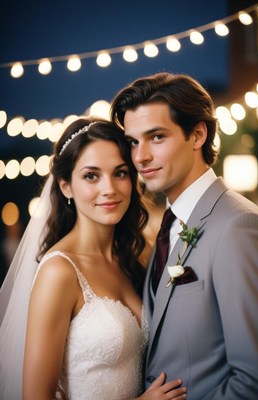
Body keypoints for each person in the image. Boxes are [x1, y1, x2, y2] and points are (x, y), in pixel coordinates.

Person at [111, 72, 258, 399]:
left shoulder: (238, 227)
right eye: (133, 141)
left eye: (156, 137)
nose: (140, 157)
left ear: (198, 134)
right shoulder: (170, 224)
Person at [0, 118, 188, 400]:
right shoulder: (60, 271)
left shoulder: (134, 256)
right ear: (65, 186)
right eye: (91, 176)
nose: (109, 188)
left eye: (120, 173)